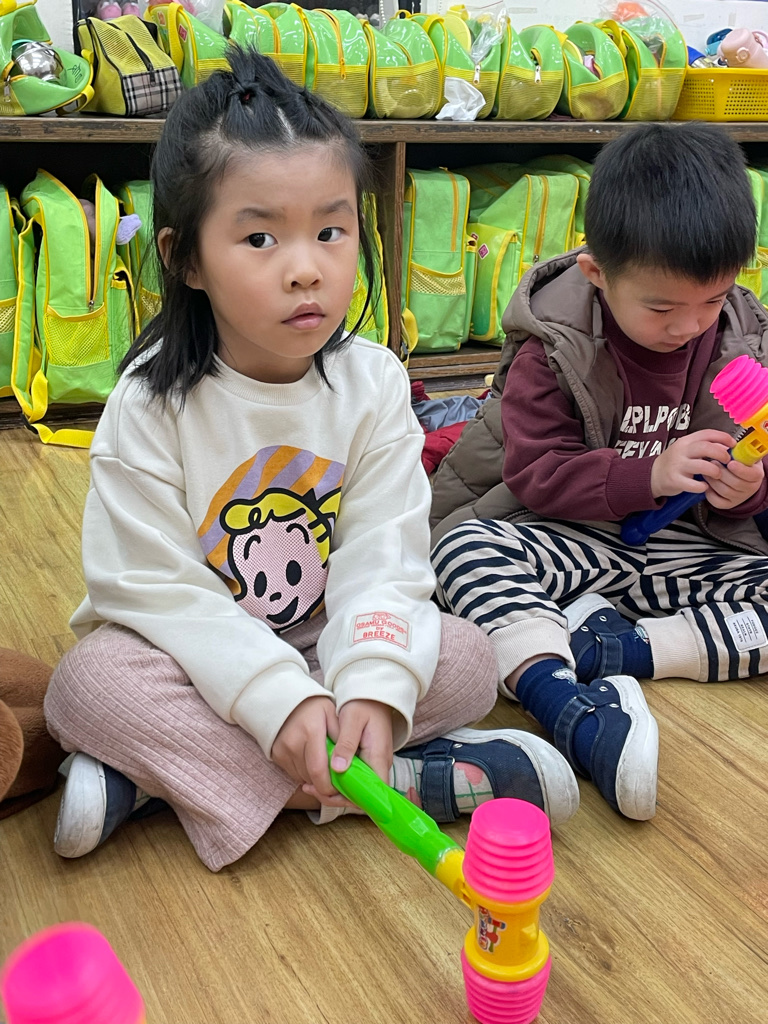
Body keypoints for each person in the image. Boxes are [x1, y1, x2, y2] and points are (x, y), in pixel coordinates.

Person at [44, 48, 579, 871]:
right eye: (260, 237)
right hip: (191, 659)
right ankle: (393, 783)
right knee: (87, 686)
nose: (306, 270)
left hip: (327, 642)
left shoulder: (374, 383)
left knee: (467, 659)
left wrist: (372, 685)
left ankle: (157, 784)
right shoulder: (149, 403)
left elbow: (384, 558)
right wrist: (272, 698)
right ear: (186, 258)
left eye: (331, 231)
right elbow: (154, 589)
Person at [429, 122, 768, 822]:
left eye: (712, 301)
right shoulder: (555, 348)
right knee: (460, 549)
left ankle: (626, 650)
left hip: (681, 552)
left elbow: (748, 477)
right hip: (567, 535)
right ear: (596, 274)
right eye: (661, 307)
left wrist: (745, 491)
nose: (689, 326)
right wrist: (649, 474)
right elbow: (537, 476)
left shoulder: (740, 339)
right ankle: (563, 700)